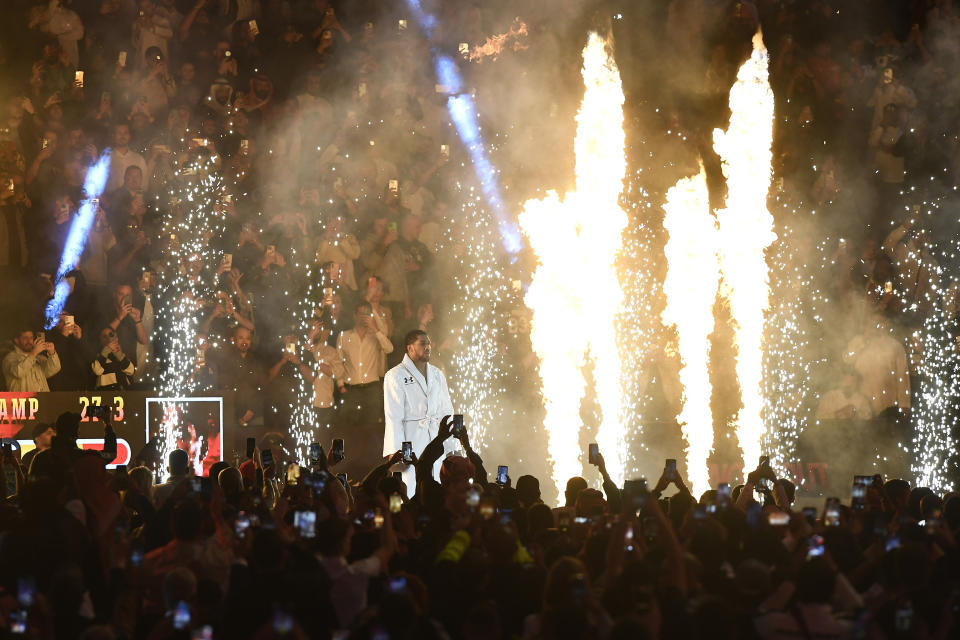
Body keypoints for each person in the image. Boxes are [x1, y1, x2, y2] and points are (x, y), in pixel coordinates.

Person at [383, 329, 456, 495]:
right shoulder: (395, 375)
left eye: (429, 343)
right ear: (410, 348)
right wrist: (396, 452)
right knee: (414, 486)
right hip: (413, 439)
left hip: (436, 436)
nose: (428, 347)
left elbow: (447, 410)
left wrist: (453, 445)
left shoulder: (437, 374)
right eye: (423, 344)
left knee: (440, 484)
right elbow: (393, 416)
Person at [335, 302, 393, 477]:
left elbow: (389, 348)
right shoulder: (344, 336)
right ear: (354, 315)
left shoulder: (375, 335)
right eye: (360, 313)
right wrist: (340, 385)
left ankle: (372, 466)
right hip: (351, 388)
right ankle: (347, 465)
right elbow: (339, 362)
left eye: (366, 314)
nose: (363, 317)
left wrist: (375, 328)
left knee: (372, 426)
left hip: (372, 387)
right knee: (348, 426)